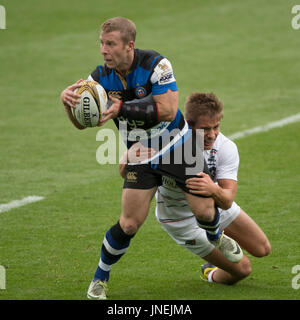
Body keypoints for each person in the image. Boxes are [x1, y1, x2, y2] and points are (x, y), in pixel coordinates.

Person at [60, 17, 241, 300]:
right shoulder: (97, 79)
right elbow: (84, 123)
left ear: (129, 46)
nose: (104, 50)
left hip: (180, 144)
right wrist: (68, 104)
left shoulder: (157, 65)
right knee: (129, 223)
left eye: (110, 44)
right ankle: (100, 278)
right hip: (141, 153)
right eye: (102, 44)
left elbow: (168, 110)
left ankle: (216, 234)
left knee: (204, 211)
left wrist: (120, 108)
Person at [152, 92, 271, 284]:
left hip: (214, 204)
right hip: (181, 220)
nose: (212, 135)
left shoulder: (225, 147)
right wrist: (129, 159)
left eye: (216, 127)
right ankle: (210, 272)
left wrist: (213, 189)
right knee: (243, 269)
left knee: (263, 249)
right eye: (205, 129)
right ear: (188, 125)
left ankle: (216, 250)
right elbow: (132, 176)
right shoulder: (168, 145)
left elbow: (227, 200)